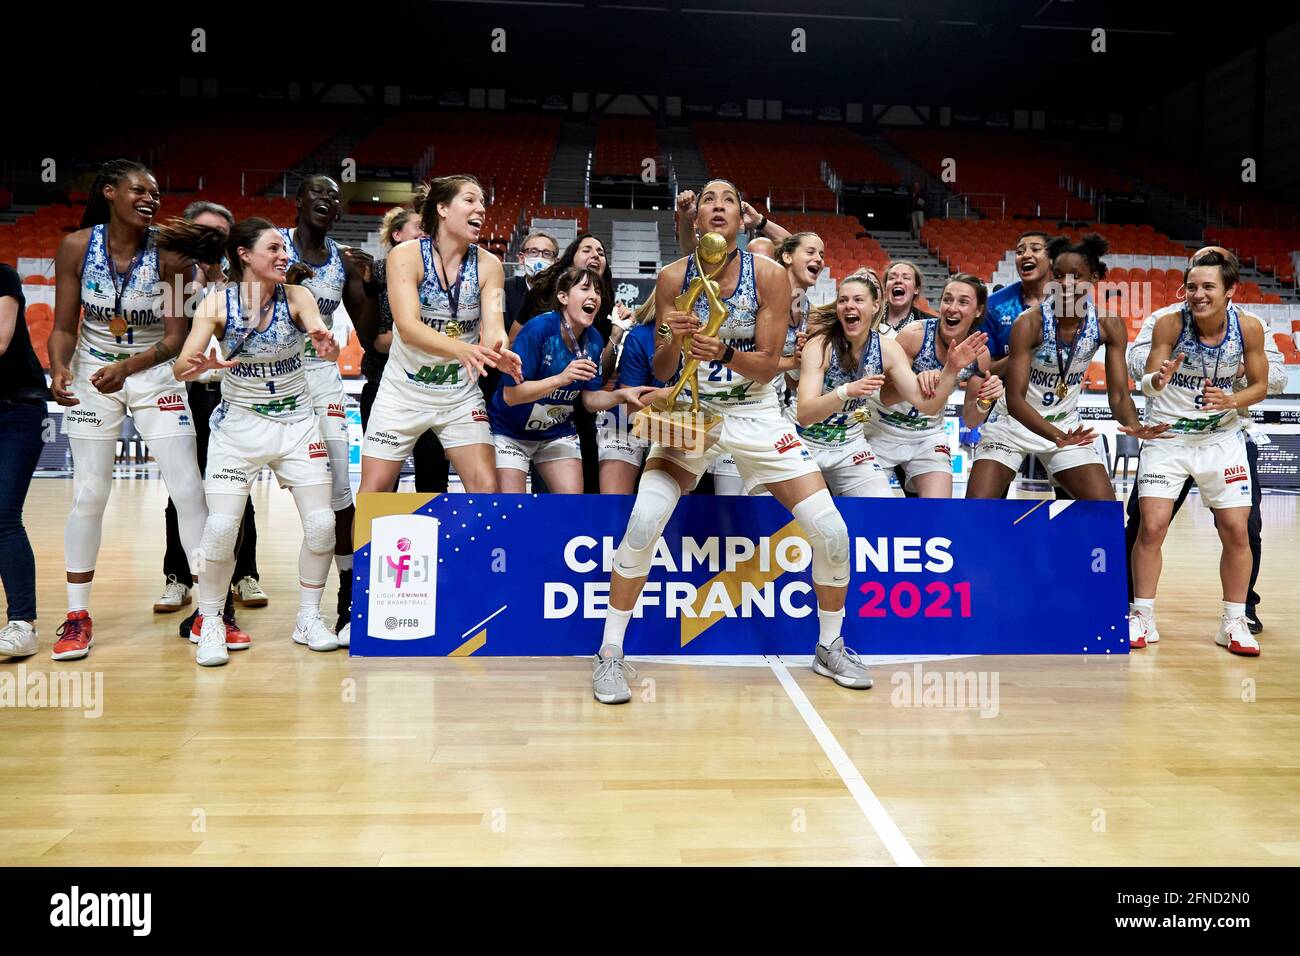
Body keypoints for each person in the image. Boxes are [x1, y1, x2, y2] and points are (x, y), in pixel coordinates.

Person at [593, 179, 871, 705]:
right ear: (695, 221)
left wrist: (721, 353)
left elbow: (768, 364)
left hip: (756, 412)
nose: (718, 207)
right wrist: (674, 340)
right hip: (692, 412)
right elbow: (660, 367)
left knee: (831, 531)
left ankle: (829, 644)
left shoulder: (768, 275)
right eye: (707, 202)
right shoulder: (674, 276)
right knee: (644, 521)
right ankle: (610, 652)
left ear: (743, 221)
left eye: (729, 202)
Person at [47, 160, 206, 661]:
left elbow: (178, 341)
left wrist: (129, 367)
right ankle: (76, 617)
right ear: (110, 192)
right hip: (95, 375)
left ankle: (212, 609)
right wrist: (57, 368)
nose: (151, 199)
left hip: (155, 373)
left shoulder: (172, 255)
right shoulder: (76, 246)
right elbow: (65, 326)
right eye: (139, 190)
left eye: (156, 194)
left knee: (187, 488)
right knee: (90, 493)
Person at [352, 175, 522, 643]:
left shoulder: (489, 265)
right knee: (375, 489)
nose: (481, 208)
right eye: (470, 199)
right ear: (442, 210)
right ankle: (361, 603)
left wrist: (497, 349)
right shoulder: (405, 256)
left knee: (485, 488)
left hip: (458, 394)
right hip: (402, 393)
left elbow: (491, 325)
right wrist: (463, 350)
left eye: (484, 201)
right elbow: (405, 326)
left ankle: (476, 591)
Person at [171, 218, 343, 665]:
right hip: (238, 428)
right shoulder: (215, 303)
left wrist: (327, 345)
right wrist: (200, 366)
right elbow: (180, 368)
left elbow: (326, 344)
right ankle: (210, 621)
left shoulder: (298, 297)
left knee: (323, 524)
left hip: (296, 424)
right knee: (222, 529)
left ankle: (309, 617)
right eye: (273, 248)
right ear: (245, 255)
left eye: (285, 248)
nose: (284, 255)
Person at [1124, 246, 1288, 635]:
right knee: (1147, 524)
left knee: (1242, 528)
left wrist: (1235, 386)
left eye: (1208, 286)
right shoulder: (1165, 321)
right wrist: (1157, 377)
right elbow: (1140, 370)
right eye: (1191, 286)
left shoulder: (1250, 327)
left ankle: (1240, 613)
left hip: (1225, 433)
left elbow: (1271, 380)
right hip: (1170, 435)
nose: (1197, 293)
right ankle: (1135, 609)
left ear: (1230, 288)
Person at [966, 234, 1168, 500]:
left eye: (1076, 275)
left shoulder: (1109, 325)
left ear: (1094, 278)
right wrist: (1058, 436)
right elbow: (1014, 400)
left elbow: (1119, 395)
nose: (1066, 283)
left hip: (1065, 426)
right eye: (1059, 275)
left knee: (1103, 511)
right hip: (1013, 425)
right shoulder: (1030, 323)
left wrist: (1134, 424)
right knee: (976, 509)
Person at [155, 202, 264, 643]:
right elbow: (173, 340)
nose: (211, 243)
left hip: (235, 390)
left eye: (220, 234)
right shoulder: (176, 279)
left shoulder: (245, 283)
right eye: (204, 234)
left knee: (236, 489)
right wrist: (198, 281)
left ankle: (245, 574)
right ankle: (178, 576)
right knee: (184, 490)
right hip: (187, 392)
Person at [280, 174, 377, 633]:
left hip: (320, 381)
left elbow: (371, 333)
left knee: (341, 494)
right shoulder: (270, 245)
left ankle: (347, 599)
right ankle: (219, 606)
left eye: (335, 198)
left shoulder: (341, 260)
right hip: (265, 379)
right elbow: (232, 300)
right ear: (298, 199)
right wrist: (283, 285)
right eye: (317, 192)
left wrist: (371, 285)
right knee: (234, 501)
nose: (326, 200)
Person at [796, 270, 989, 496]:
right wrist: (846, 391)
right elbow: (805, 414)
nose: (850, 306)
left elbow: (928, 405)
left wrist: (951, 370)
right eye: (843, 300)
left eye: (858, 300)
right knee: (811, 511)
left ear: (876, 306)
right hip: (822, 436)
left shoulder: (887, 347)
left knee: (886, 509)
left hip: (854, 445)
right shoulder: (821, 344)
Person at [490, 266, 659, 492]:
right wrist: (560, 379)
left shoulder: (595, 339)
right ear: (563, 297)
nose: (594, 296)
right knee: (511, 507)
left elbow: (589, 401)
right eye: (585, 288)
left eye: (598, 291)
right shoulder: (538, 330)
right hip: (510, 432)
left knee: (571, 506)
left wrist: (621, 395)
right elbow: (510, 396)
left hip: (555, 433)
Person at [865, 274, 1004, 497]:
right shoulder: (914, 335)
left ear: (978, 310)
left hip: (927, 435)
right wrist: (915, 380)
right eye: (947, 299)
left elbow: (970, 419)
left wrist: (985, 400)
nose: (952, 308)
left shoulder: (979, 353)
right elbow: (886, 396)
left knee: (939, 510)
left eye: (963, 302)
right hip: (883, 430)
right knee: (871, 508)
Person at [514, 232, 630, 492]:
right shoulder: (542, 303)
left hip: (574, 408)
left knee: (577, 489)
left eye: (601, 252)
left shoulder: (602, 307)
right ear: (570, 261)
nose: (595, 255)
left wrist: (614, 336)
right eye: (587, 249)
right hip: (528, 401)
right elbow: (513, 345)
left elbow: (598, 374)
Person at [357, 203, 448, 493]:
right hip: (384, 387)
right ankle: (376, 538)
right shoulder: (378, 275)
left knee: (433, 479)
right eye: (419, 228)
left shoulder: (443, 275)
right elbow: (379, 342)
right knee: (382, 485)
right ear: (397, 235)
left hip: (432, 389)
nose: (427, 234)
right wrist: (433, 335)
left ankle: (435, 536)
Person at [0, 262, 49, 658]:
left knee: (2, 514)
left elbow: (0, 339)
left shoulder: (2, 275)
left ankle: (22, 623)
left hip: (15, 407)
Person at [597, 298, 666, 494]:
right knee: (613, 505)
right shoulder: (641, 335)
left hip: (674, 425)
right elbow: (630, 408)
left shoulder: (707, 338)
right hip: (623, 424)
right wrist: (668, 393)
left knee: (666, 503)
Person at [981, 231, 1053, 374]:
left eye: (1036, 249)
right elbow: (986, 370)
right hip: (1004, 393)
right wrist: (1025, 352)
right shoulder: (994, 305)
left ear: (1051, 258)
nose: (1025, 255)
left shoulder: (1069, 304)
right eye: (1020, 251)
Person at [880, 260, 930, 335]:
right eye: (892, 278)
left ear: (916, 289)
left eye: (906, 278)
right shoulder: (870, 318)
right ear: (885, 288)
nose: (898, 280)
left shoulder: (929, 325)